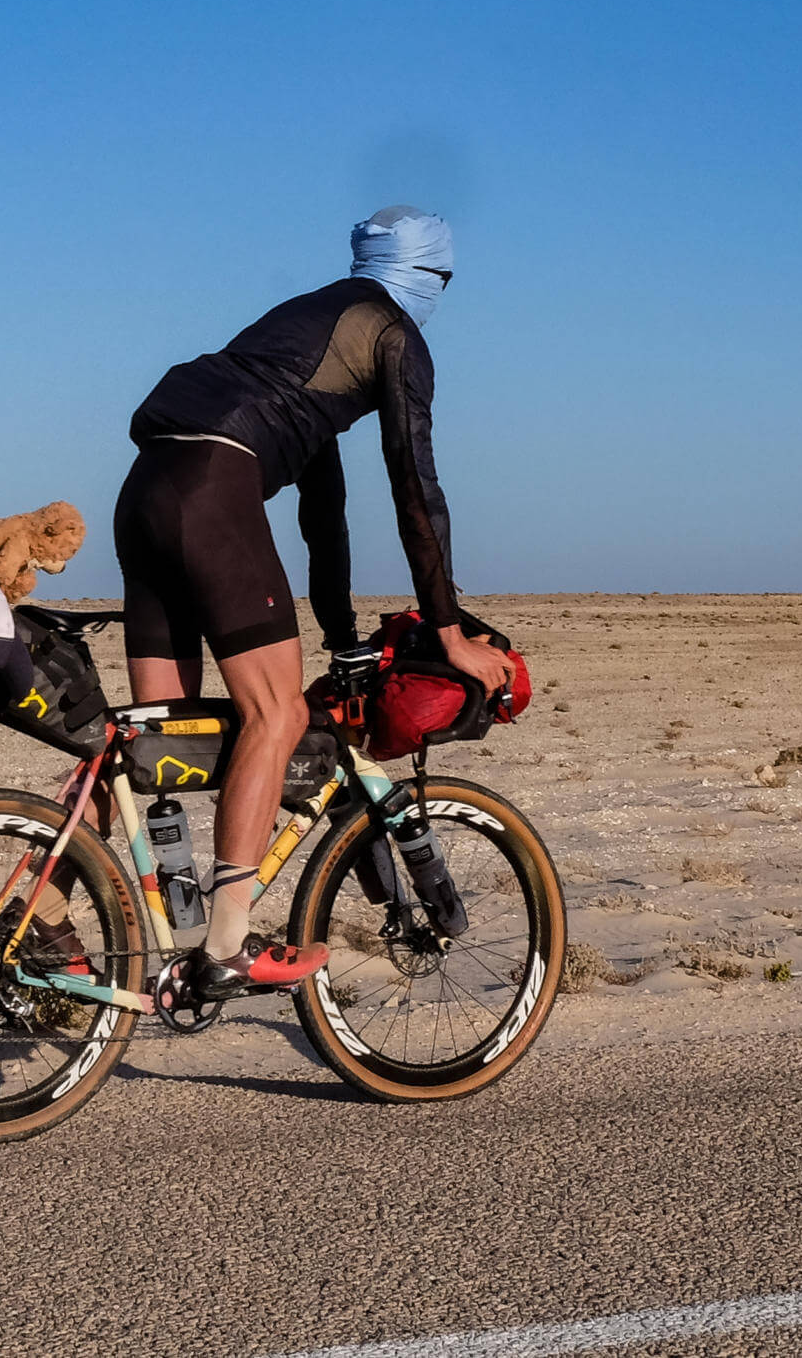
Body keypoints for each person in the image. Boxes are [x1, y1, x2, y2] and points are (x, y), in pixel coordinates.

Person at [114, 205, 514, 1000]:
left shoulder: (307, 329)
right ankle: (226, 946)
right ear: (429, 275)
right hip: (212, 490)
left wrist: (339, 635)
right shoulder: (396, 335)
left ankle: (49, 914)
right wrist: (449, 628)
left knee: (150, 744)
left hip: (146, 491)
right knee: (277, 715)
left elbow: (322, 514)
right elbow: (415, 490)